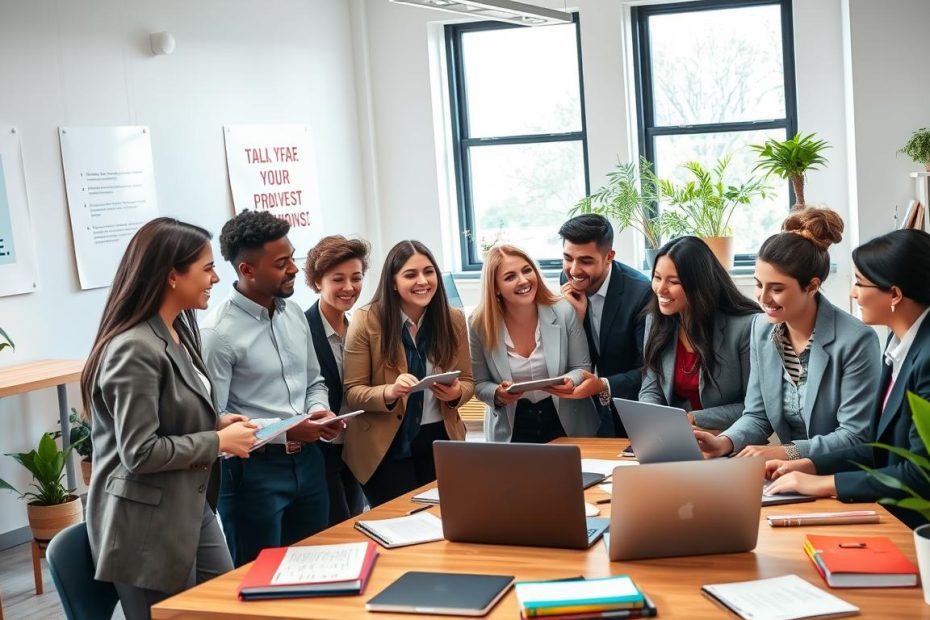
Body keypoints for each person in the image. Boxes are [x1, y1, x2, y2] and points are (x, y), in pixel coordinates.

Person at [82, 218, 257, 619]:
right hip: (144, 527)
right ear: (172, 276)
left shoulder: (180, 329)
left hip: (190, 505)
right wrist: (217, 443)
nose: (216, 277)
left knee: (227, 608)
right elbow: (139, 452)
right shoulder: (133, 349)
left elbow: (173, 415)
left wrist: (217, 424)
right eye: (207, 268)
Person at [201, 210, 340, 567]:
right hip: (253, 474)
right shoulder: (217, 333)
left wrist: (317, 411)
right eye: (282, 263)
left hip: (309, 464)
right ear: (247, 270)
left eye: (291, 257)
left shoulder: (294, 314)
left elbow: (314, 380)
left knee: (314, 570)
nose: (294, 268)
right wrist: (285, 431)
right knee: (258, 578)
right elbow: (212, 418)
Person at [766, 229, 930, 529]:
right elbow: (881, 447)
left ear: (894, 294)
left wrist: (827, 484)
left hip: (914, 525)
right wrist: (812, 465)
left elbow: (920, 474)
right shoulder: (899, 342)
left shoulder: (926, 356)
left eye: (859, 283)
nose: (853, 293)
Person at [695, 208, 881, 460]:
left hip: (835, 470)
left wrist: (786, 452)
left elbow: (854, 435)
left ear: (812, 286)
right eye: (759, 284)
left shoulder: (856, 340)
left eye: (777, 288)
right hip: (782, 473)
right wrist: (724, 442)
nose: (762, 298)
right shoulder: (761, 329)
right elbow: (757, 415)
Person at [343, 240, 475, 507]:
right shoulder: (367, 319)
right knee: (399, 523)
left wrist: (456, 392)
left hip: (440, 438)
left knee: (443, 521)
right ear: (393, 282)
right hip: (385, 445)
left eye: (429, 272)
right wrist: (390, 391)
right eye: (410, 274)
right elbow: (353, 392)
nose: (423, 281)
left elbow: (468, 382)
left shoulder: (454, 319)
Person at [470, 244, 602, 443]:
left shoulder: (563, 310)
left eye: (527, 270)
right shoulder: (479, 324)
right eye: (510, 277)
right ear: (495, 288)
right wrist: (497, 393)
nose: (523, 281)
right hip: (513, 426)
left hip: (567, 420)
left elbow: (580, 368)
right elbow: (479, 384)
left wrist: (570, 381)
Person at [639, 236, 758, 430]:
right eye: (657, 278)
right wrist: (654, 419)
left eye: (673, 281)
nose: (661, 289)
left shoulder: (745, 327)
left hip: (729, 439)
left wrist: (695, 418)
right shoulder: (656, 321)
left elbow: (754, 407)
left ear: (699, 284)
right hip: (674, 437)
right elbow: (651, 388)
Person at [558, 214, 652, 437]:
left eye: (586, 261)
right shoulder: (568, 282)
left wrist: (603, 385)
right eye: (568, 258)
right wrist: (575, 320)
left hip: (633, 407)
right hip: (586, 410)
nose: (573, 270)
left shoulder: (641, 293)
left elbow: (651, 369)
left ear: (609, 256)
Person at [304, 234, 371, 525]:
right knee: (336, 527)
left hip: (356, 447)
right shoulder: (302, 328)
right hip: (320, 450)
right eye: (338, 279)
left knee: (356, 522)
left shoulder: (361, 327)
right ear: (317, 281)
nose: (349, 287)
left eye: (356, 278)